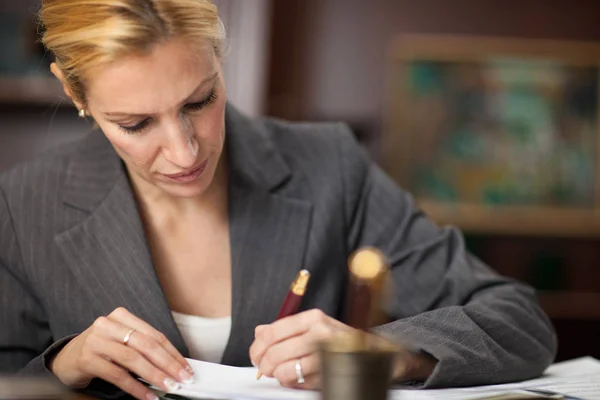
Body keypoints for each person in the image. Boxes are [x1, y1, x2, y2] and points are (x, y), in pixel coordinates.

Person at [0, 1, 556, 399]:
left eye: (200, 101)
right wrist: (63, 366)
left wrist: (381, 354)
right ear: (74, 93)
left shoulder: (329, 166)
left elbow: (519, 323)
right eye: (136, 123)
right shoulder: (24, 203)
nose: (184, 151)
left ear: (220, 62)